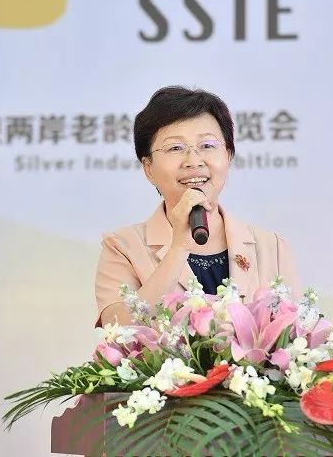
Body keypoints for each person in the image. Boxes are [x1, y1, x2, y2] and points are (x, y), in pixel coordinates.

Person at [94, 86, 301, 326]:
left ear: (228, 155)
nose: (193, 161)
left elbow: (295, 335)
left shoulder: (272, 247)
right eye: (175, 148)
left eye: (207, 145)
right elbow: (118, 329)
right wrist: (178, 248)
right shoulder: (123, 247)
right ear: (148, 167)